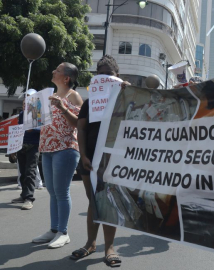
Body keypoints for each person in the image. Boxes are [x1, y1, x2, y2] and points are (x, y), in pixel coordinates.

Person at [71, 55, 129, 266]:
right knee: (94, 202)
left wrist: (129, 91)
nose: (104, 78)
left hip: (114, 159)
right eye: (100, 74)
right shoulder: (89, 102)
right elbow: (82, 129)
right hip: (89, 159)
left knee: (109, 203)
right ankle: (90, 244)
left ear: (117, 77)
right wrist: (84, 155)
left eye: (109, 75)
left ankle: (110, 248)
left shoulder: (126, 99)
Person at [32, 62, 83, 249]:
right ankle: (54, 230)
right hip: (47, 148)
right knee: (52, 192)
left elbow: (79, 124)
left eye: (57, 70)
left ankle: (64, 232)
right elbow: (38, 122)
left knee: (61, 192)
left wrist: (63, 108)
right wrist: (30, 111)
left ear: (66, 78)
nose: (53, 71)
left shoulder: (74, 96)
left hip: (66, 148)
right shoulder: (50, 95)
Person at [10, 89, 42, 210]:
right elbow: (18, 130)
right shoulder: (22, 114)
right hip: (21, 145)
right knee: (23, 172)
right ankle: (23, 195)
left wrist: (33, 129)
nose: (26, 99)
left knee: (30, 172)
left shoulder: (38, 112)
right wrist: (13, 147)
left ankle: (29, 198)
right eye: (25, 97)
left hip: (33, 146)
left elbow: (43, 129)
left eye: (29, 97)